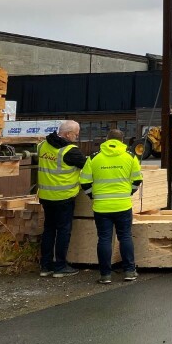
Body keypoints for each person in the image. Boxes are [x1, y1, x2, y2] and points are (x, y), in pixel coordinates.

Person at [80, 129, 143, 284]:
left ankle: (105, 275)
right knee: (125, 237)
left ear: (106, 140)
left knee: (104, 239)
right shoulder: (130, 156)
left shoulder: (94, 158)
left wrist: (92, 195)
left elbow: (85, 182)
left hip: (101, 207)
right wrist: (129, 193)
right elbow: (137, 180)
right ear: (122, 141)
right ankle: (129, 271)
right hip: (123, 205)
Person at [36, 120, 86, 278]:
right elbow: (88, 166)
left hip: (45, 196)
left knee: (49, 230)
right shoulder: (71, 151)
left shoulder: (42, 145)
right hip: (64, 198)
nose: (76, 137)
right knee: (63, 231)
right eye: (75, 134)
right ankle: (60, 266)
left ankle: (45, 266)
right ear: (67, 134)